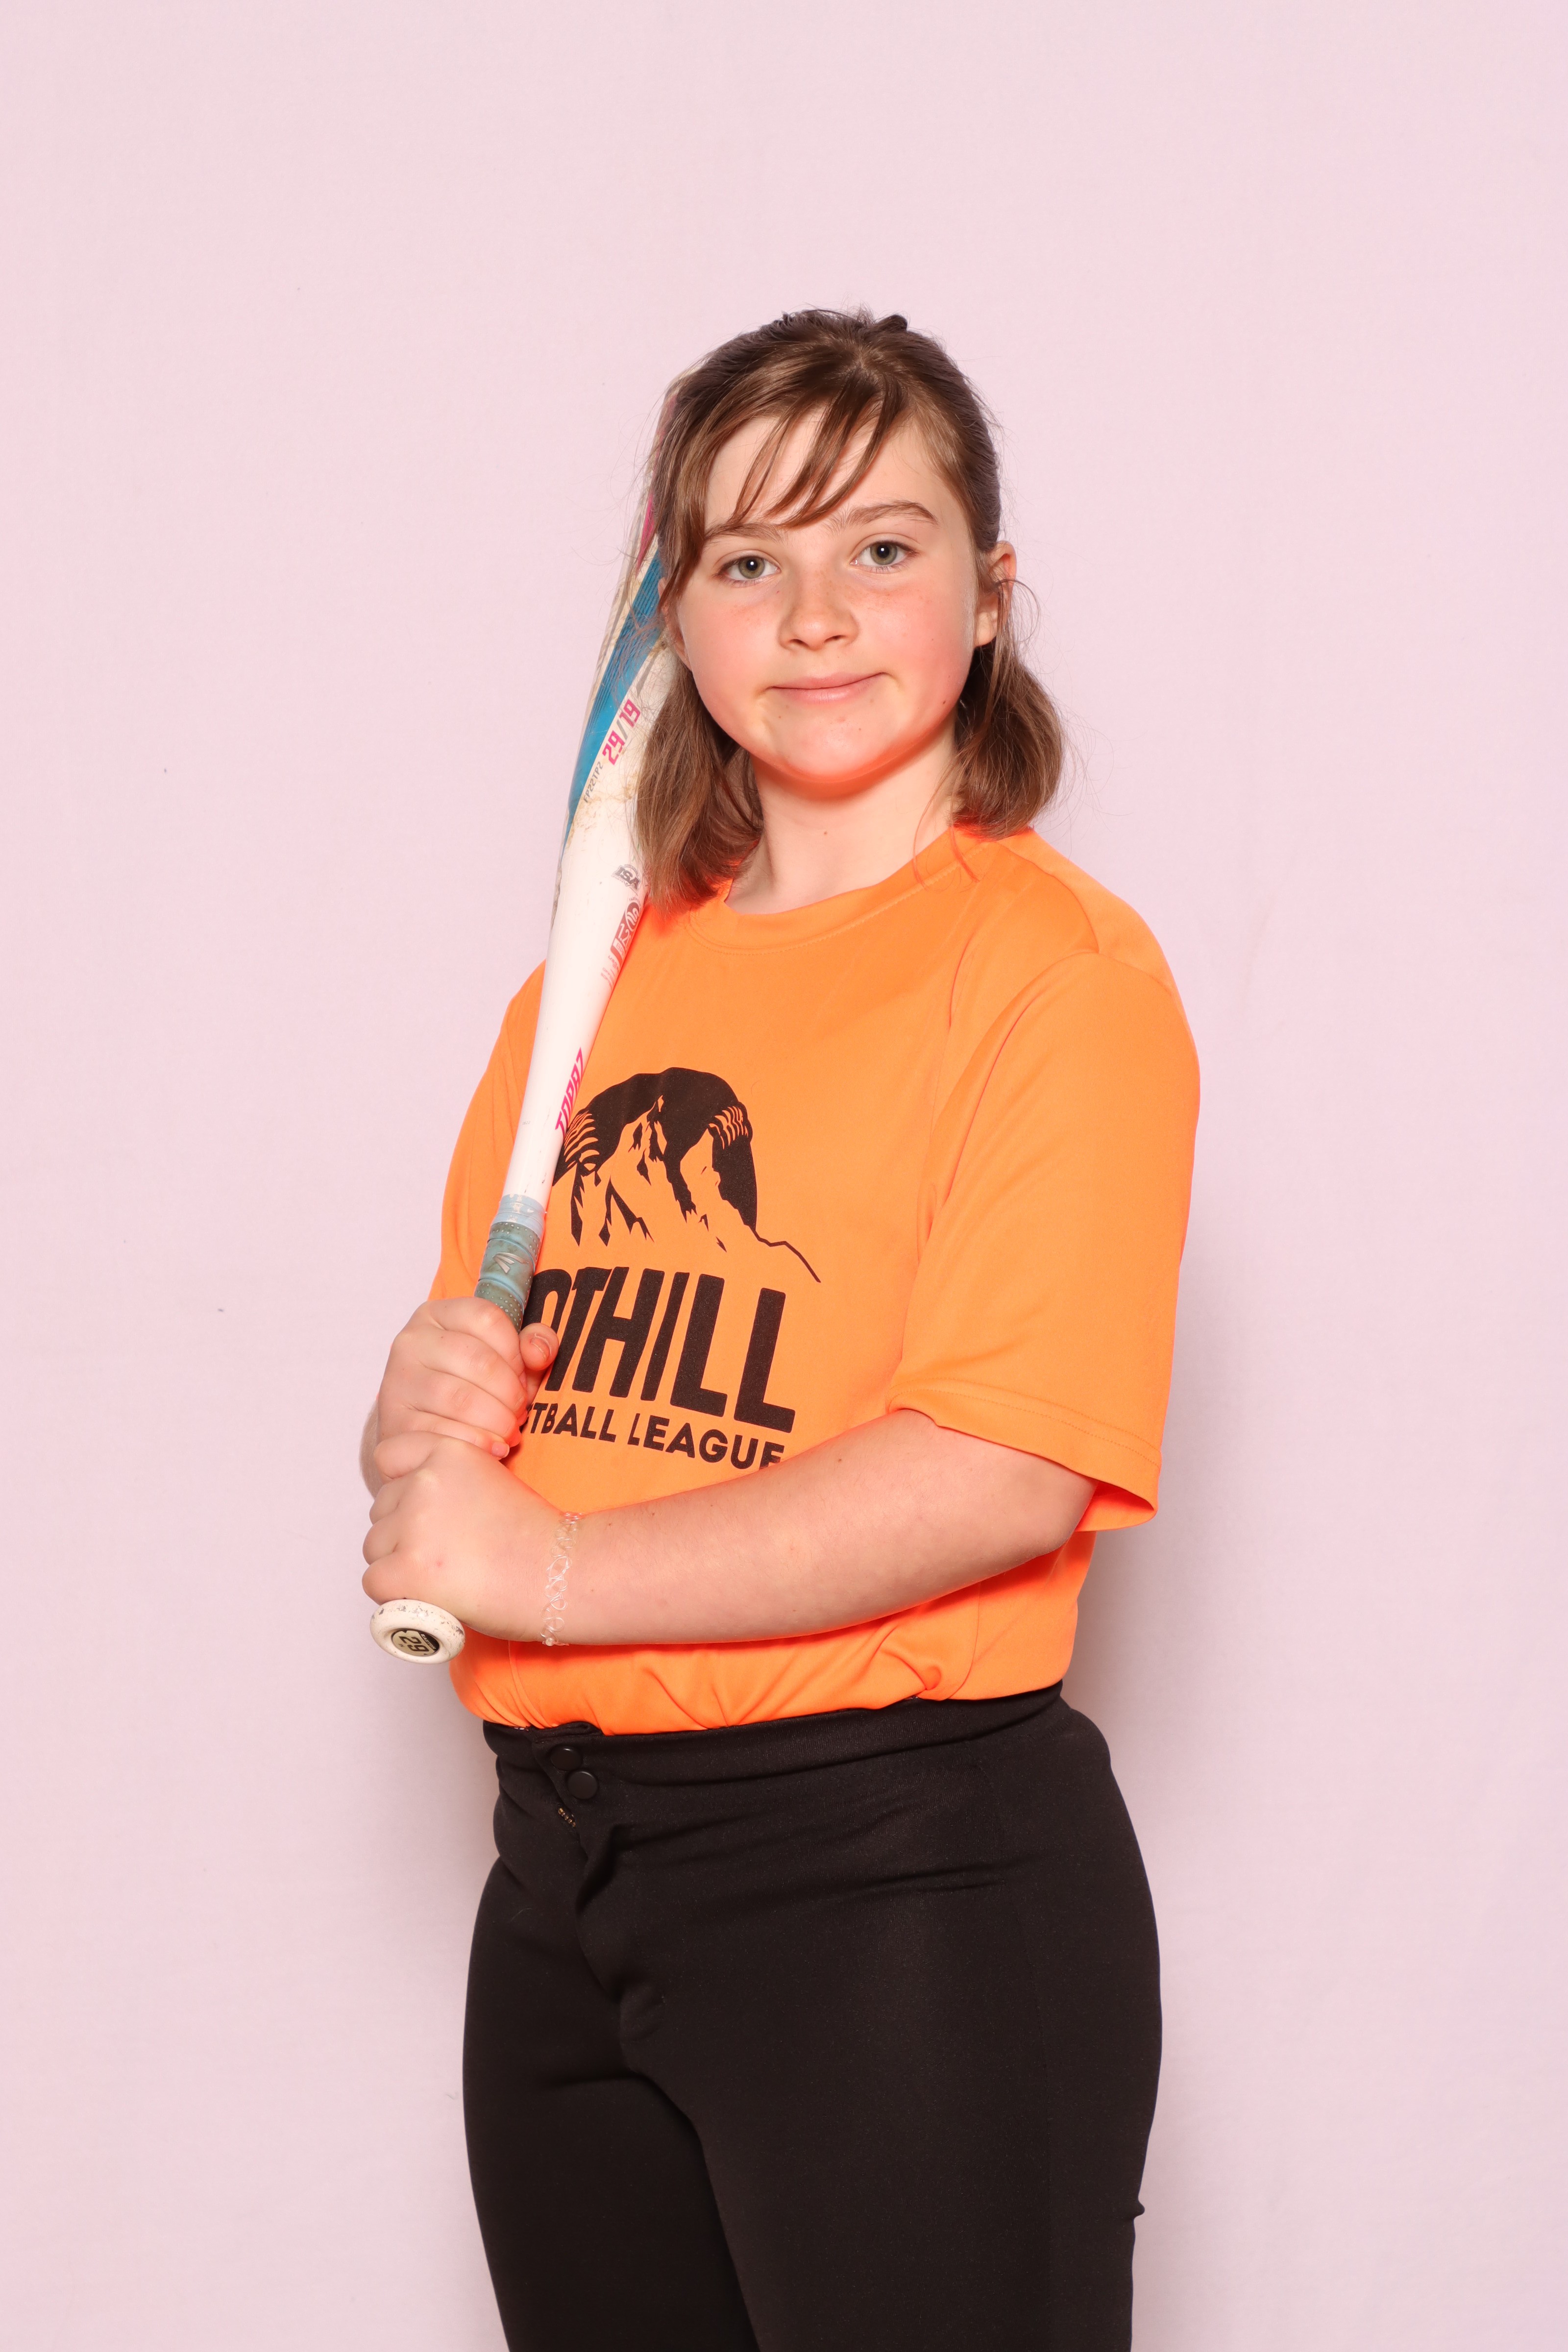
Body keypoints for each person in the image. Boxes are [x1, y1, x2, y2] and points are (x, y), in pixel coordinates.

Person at [360, 308, 1199, 2352]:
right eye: (749, 558)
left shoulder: (1056, 979)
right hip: (558, 1882)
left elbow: (998, 1470)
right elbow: (524, 1418)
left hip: (897, 1884)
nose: (816, 614)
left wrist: (552, 1573)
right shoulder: (595, 984)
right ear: (678, 614)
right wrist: (419, 1418)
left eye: (881, 548)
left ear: (987, 598)